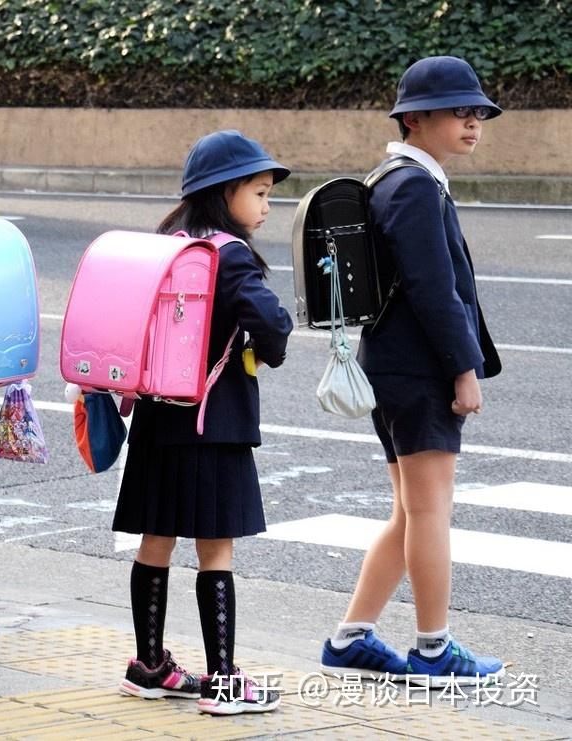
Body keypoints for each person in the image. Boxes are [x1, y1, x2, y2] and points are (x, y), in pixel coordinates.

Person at [322, 56, 504, 685]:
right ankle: (433, 649)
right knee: (429, 511)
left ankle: (351, 636)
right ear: (414, 118)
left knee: (407, 510)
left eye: (478, 113)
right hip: (418, 371)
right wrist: (463, 369)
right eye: (461, 111)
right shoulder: (415, 187)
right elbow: (433, 288)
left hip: (392, 367)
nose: (474, 123)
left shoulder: (393, 179)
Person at [113, 130, 293, 715]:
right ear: (226, 192)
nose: (266, 207)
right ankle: (223, 682)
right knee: (216, 550)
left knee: (155, 540)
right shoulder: (230, 253)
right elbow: (272, 324)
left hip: (157, 420)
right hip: (215, 426)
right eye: (260, 193)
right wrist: (272, 342)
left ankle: (150, 666)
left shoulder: (166, 244)